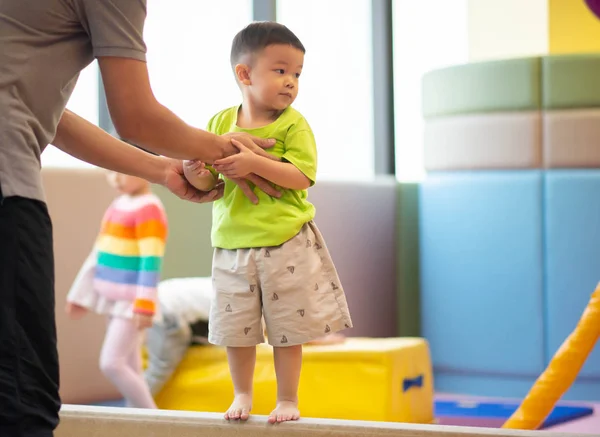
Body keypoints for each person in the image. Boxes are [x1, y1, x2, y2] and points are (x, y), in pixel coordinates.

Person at [0, 2, 283, 436]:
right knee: (23, 402)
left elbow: (44, 114)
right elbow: (135, 115)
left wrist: (163, 169)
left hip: (130, 304)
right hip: (9, 193)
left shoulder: (145, 208)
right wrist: (226, 150)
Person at [185, 22, 353, 424]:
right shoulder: (220, 122)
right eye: (281, 71)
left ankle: (287, 398)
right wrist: (194, 170)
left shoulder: (293, 125)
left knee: (287, 328)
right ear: (245, 74)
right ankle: (242, 393)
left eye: (297, 74)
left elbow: (302, 176)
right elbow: (210, 182)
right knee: (234, 328)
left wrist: (255, 162)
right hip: (232, 245)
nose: (291, 82)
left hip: (285, 242)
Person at [144, 277, 347, 398]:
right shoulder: (257, 303)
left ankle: (140, 405)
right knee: (161, 366)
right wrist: (321, 338)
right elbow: (290, 334)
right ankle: (134, 411)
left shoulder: (246, 291)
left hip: (170, 303)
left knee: (192, 354)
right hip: (170, 310)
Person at [65, 170, 167, 409]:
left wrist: (144, 304)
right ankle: (138, 422)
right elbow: (99, 251)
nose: (114, 179)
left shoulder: (149, 208)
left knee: (111, 363)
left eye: (121, 172)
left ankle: (156, 422)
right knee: (131, 367)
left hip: (131, 304)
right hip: (113, 300)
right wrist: (79, 295)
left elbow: (150, 261)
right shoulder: (119, 204)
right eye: (110, 172)